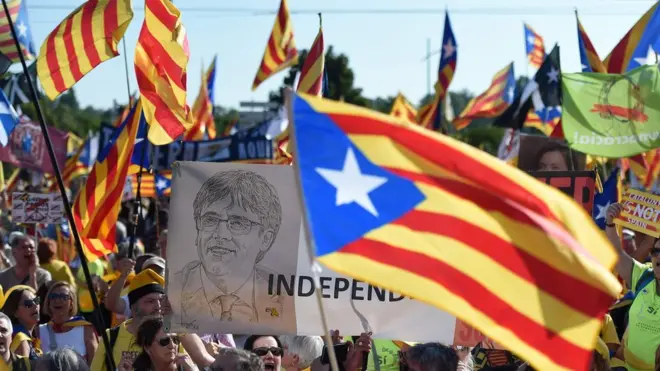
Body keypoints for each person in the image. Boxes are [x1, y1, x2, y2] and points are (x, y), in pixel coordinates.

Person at [172, 170, 284, 325]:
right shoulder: (172, 292)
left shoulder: (285, 298)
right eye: (210, 219)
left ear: (265, 239)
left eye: (237, 223)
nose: (221, 234)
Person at [606, 203, 660, 370]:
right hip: (624, 367)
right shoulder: (644, 276)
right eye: (655, 252)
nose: (658, 257)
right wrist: (610, 223)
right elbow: (617, 254)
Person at [90, 269, 168, 371]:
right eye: (150, 301)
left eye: (161, 300)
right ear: (133, 307)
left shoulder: (171, 337)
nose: (158, 306)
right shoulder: (111, 336)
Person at [38, 282, 97, 364]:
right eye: (53, 297)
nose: (57, 300)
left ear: (71, 303)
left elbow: (95, 365)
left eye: (63, 297)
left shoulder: (86, 329)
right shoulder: (40, 331)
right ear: (49, 303)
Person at [127, 317, 197, 371]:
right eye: (164, 341)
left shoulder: (189, 368)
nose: (172, 346)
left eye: (175, 340)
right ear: (147, 348)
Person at [1, 285, 42, 360]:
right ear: (15, 312)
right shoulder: (20, 339)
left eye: (36, 301)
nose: (35, 305)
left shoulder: (27, 335)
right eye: (28, 303)